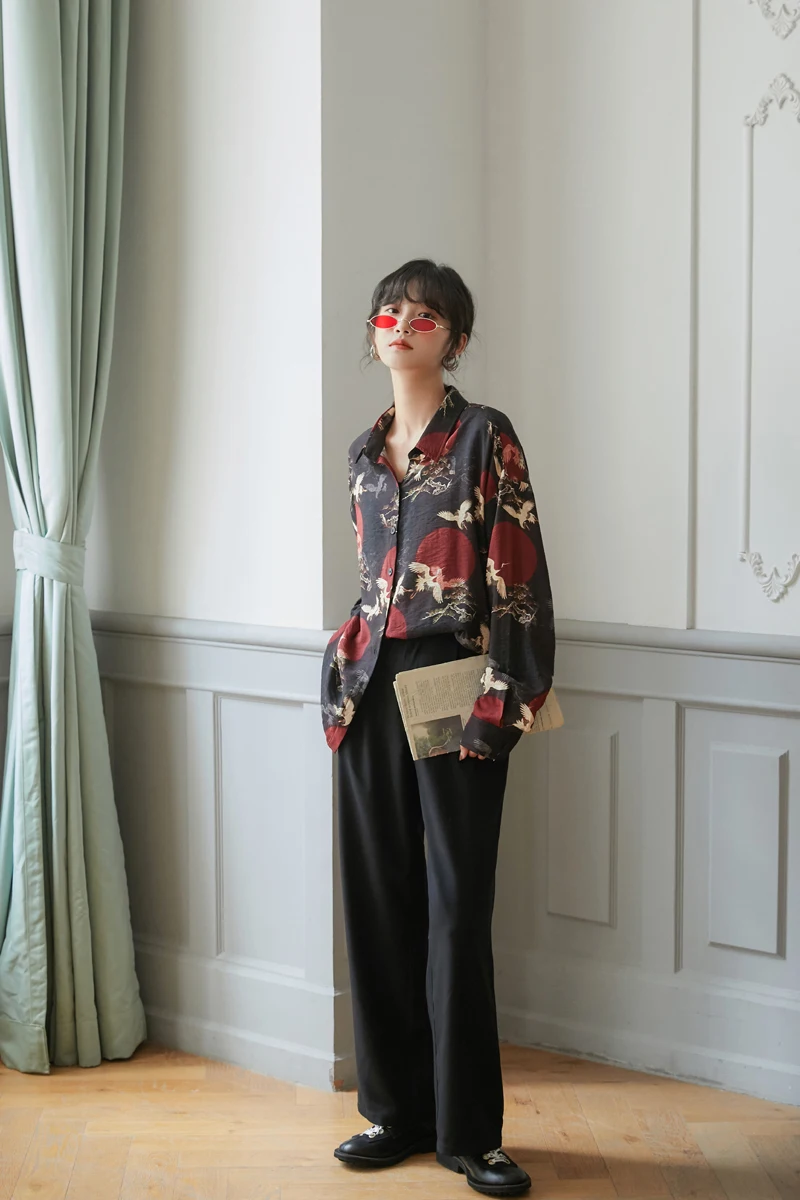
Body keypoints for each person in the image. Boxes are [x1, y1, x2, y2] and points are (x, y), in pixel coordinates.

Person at [320, 259, 556, 1198]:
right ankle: (395, 1113)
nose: (403, 324)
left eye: (425, 314)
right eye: (390, 311)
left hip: (458, 680)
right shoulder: (361, 455)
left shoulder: (485, 436)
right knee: (378, 903)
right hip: (367, 688)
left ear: (454, 338)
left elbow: (519, 580)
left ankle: (470, 1134)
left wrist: (502, 705)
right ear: (373, 331)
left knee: (457, 912)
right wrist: (340, 665)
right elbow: (374, 581)